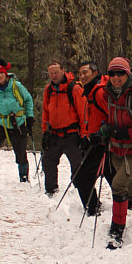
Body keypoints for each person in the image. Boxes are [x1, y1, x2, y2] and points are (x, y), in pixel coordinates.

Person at [101, 57, 132, 249]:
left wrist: (123, 132)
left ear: (127, 73)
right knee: (131, 183)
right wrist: (105, 129)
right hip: (117, 147)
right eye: (112, 73)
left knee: (119, 183)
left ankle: (117, 229)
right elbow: (110, 116)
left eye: (120, 73)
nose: (116, 77)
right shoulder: (110, 93)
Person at [73, 61, 114, 216]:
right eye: (80, 73)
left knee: (81, 177)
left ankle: (92, 208)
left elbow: (113, 116)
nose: (82, 76)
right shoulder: (90, 91)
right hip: (97, 141)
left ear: (95, 73)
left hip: (102, 144)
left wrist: (102, 134)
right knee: (112, 175)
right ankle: (129, 204)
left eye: (85, 72)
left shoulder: (99, 92)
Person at [41, 61, 84, 197]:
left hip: (71, 134)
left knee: (77, 165)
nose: (53, 76)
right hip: (54, 134)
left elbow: (83, 113)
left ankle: (80, 192)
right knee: (48, 161)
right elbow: (45, 112)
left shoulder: (74, 88)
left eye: (56, 72)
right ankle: (51, 191)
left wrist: (84, 135)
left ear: (63, 70)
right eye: (51, 73)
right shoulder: (49, 90)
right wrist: (44, 132)